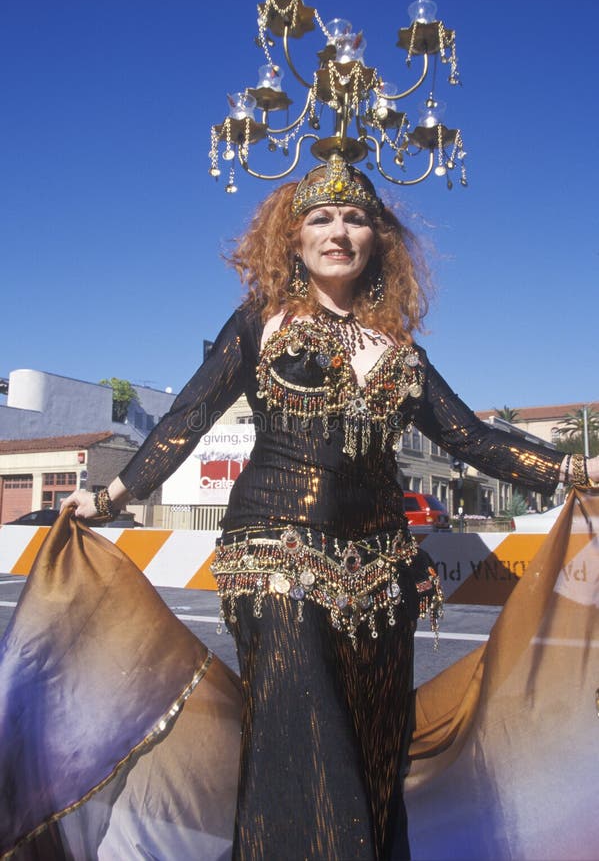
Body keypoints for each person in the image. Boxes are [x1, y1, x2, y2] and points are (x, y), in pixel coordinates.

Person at [60, 155, 597, 860]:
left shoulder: (399, 347)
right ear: (292, 238)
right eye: (320, 219)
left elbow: (468, 437)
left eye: (354, 219)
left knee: (371, 747)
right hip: (274, 556)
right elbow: (187, 417)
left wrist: (573, 468)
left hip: (383, 574)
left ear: (378, 239)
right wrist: (109, 496)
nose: (338, 232)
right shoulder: (260, 322)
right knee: (303, 740)